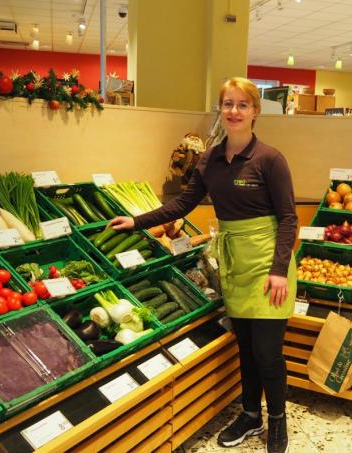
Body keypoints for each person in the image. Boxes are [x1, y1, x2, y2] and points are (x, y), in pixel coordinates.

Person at [108, 77, 297, 453]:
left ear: (255, 112)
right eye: (227, 104)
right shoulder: (210, 159)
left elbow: (289, 218)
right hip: (233, 261)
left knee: (267, 351)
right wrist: (137, 221)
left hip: (267, 262)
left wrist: (279, 269)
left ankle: (277, 421)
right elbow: (182, 205)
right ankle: (249, 414)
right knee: (245, 346)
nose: (234, 111)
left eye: (242, 104)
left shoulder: (270, 159)